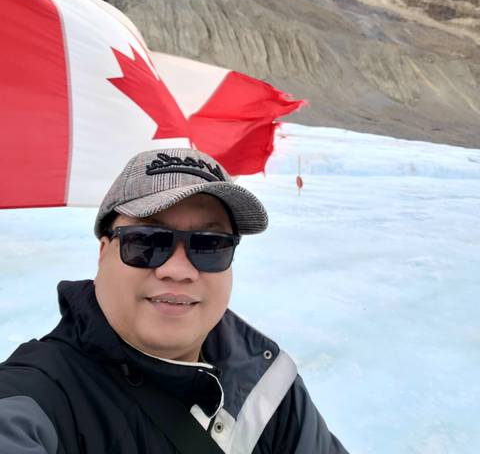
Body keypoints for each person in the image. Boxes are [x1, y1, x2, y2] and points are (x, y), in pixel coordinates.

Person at [0, 148, 349, 453]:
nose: (179, 270)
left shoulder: (268, 388)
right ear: (103, 253)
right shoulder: (38, 398)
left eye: (210, 245)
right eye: (147, 241)